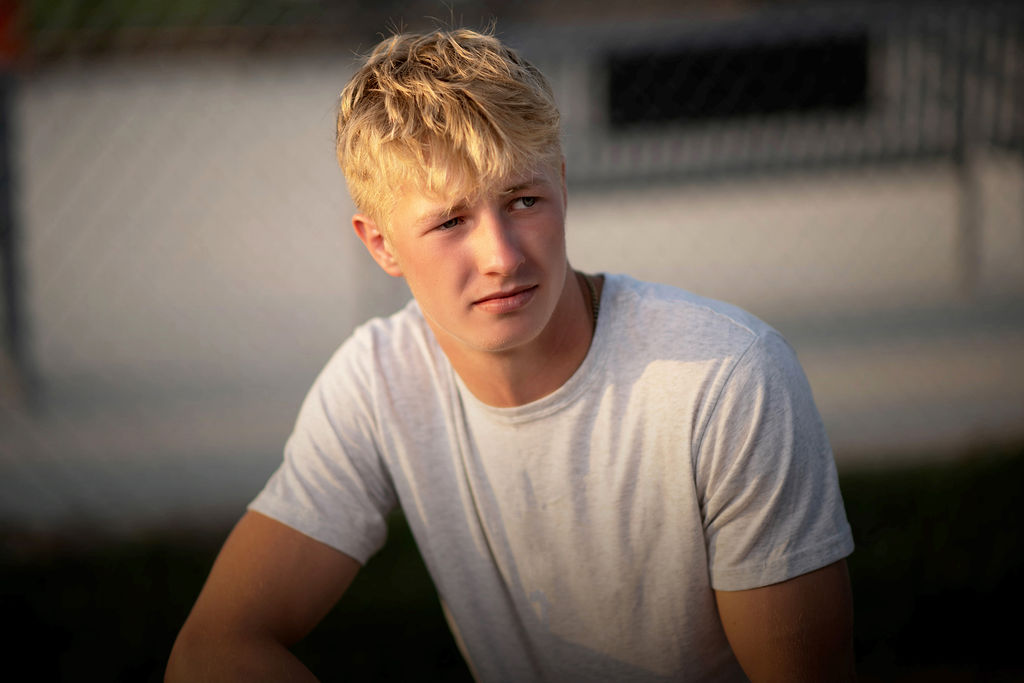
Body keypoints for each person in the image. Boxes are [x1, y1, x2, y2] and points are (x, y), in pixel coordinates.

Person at [167, 27, 855, 682]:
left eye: (523, 199)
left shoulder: (728, 376)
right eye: (450, 221)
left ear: (562, 183)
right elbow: (211, 650)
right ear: (380, 245)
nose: (501, 256)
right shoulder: (380, 381)